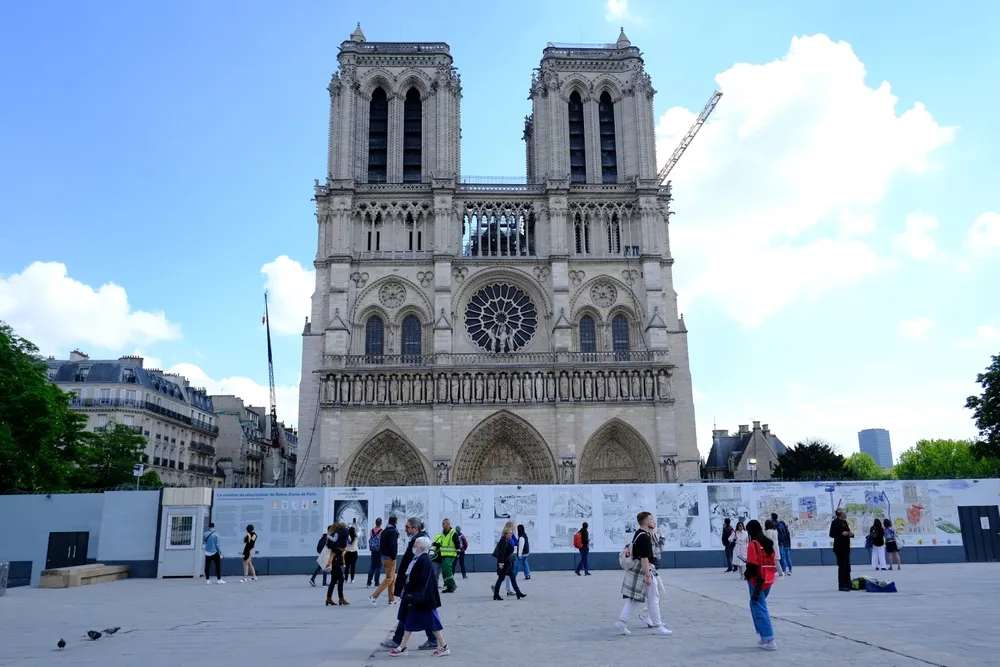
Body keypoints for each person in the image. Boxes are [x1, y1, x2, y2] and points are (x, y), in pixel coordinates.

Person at [380, 518, 438, 652]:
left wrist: (407, 583)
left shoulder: (420, 541)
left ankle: (397, 640)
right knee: (420, 612)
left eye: (408, 527)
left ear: (415, 528)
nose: (405, 529)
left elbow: (415, 566)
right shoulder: (419, 539)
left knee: (410, 611)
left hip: (416, 586)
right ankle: (433, 639)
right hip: (416, 586)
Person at [388, 536, 451, 657]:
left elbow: (419, 579)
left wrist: (408, 587)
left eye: (416, 544)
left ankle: (444, 646)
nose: (414, 546)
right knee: (409, 621)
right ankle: (403, 646)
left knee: (432, 622)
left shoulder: (422, 560)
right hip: (421, 598)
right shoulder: (421, 558)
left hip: (422, 599)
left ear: (421, 547)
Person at [615, 511, 671, 635]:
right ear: (646, 521)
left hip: (638, 571)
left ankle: (622, 621)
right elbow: (644, 558)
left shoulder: (638, 534)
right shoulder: (644, 537)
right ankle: (657, 626)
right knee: (654, 598)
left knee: (634, 599)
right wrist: (647, 576)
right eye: (651, 519)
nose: (653, 521)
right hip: (645, 570)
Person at [744, 520, 778, 651]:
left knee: (760, 607)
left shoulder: (753, 544)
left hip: (756, 581)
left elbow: (752, 565)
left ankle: (770, 639)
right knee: (755, 605)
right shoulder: (768, 544)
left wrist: (747, 575)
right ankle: (764, 637)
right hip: (768, 579)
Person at [371, 515, 399, 605]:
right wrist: (394, 557)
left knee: (392, 578)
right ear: (395, 522)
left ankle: (391, 599)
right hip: (390, 557)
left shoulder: (384, 531)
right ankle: (374, 596)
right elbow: (393, 545)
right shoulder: (393, 531)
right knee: (389, 578)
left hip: (383, 556)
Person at [492, 523, 525, 600]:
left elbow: (515, 543)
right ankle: (496, 594)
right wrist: (501, 564)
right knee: (501, 578)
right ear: (506, 534)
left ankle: (518, 592)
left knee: (510, 578)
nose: (511, 535)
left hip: (507, 562)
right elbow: (501, 553)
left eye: (511, 533)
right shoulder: (503, 541)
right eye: (510, 533)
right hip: (504, 563)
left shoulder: (507, 540)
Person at [829, 508, 855, 591]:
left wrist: (850, 534)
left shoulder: (845, 522)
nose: (846, 514)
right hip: (839, 548)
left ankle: (848, 583)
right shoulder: (835, 522)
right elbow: (831, 534)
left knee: (848, 566)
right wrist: (841, 534)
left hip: (846, 547)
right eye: (844, 513)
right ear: (841, 514)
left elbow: (847, 531)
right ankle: (842, 585)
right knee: (842, 566)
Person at [432, 518, 460, 593]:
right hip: (444, 554)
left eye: (443, 523)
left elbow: (457, 542)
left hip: (451, 554)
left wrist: (458, 551)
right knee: (444, 571)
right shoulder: (443, 533)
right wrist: (436, 544)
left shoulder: (453, 533)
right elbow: (442, 543)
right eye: (442, 523)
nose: (442, 525)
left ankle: (453, 585)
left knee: (447, 569)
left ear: (448, 524)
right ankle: (448, 587)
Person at [325, 521, 349, 606]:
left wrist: (328, 536)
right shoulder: (343, 534)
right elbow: (349, 540)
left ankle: (329, 598)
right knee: (341, 579)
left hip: (334, 558)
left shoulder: (334, 534)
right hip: (336, 560)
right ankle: (341, 598)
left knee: (333, 580)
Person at [367, 517, 384, 587]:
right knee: (378, 567)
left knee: (372, 566)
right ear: (381, 523)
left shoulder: (371, 531)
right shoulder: (382, 531)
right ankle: (376, 583)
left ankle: (368, 583)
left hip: (373, 550)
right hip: (379, 550)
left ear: (375, 523)